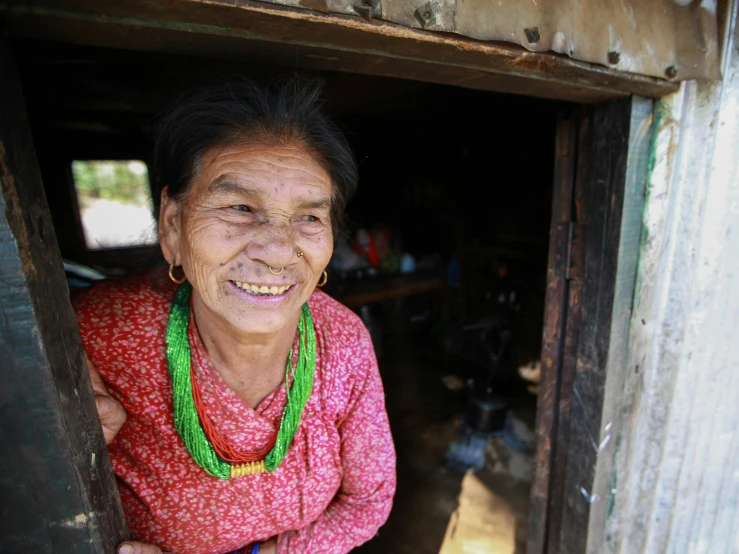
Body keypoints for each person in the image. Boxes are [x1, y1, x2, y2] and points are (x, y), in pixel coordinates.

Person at [77, 78, 396, 554]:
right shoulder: (98, 331)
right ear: (173, 225)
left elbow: (367, 503)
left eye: (309, 217)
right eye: (240, 207)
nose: (277, 251)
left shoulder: (342, 342)